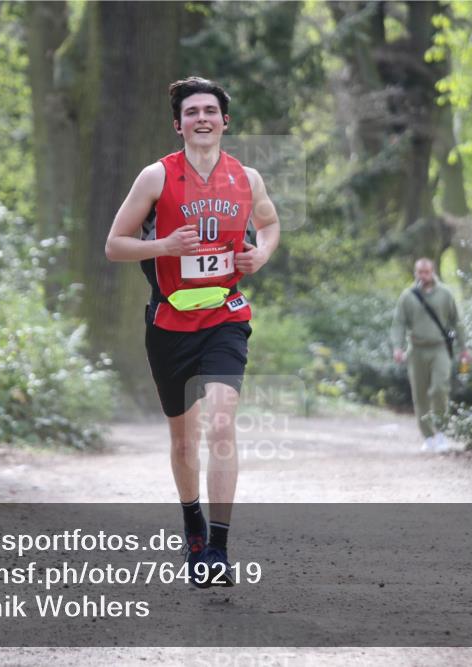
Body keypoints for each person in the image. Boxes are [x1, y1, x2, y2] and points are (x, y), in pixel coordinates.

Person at [105, 77, 280, 587]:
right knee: (184, 442)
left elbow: (269, 225)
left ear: (225, 121)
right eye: (191, 112)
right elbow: (115, 245)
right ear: (177, 123)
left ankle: (219, 551)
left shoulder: (247, 178)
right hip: (169, 322)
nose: (201, 118)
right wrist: (162, 247)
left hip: (225, 317)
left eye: (210, 110)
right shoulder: (156, 177)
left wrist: (260, 254)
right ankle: (193, 529)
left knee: (221, 425)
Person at [391, 258, 472, 453]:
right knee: (420, 394)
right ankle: (428, 437)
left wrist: (464, 347)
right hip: (416, 350)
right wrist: (397, 347)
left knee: (439, 389)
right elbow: (399, 323)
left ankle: (441, 432)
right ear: (415, 273)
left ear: (433, 272)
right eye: (420, 272)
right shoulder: (408, 296)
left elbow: (457, 321)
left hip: (439, 348)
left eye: (426, 272)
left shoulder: (445, 294)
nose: (423, 276)